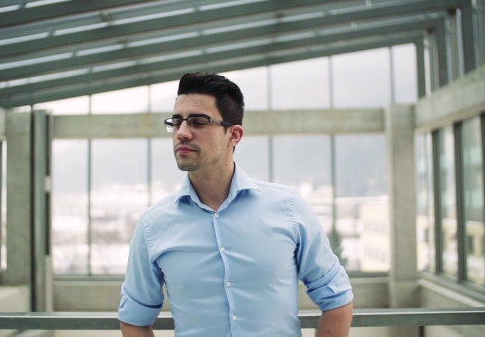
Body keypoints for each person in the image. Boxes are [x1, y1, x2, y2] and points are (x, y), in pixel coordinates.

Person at [118, 72, 354, 337]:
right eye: (176, 122)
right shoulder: (153, 225)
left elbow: (337, 298)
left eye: (198, 122)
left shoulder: (288, 208)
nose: (182, 133)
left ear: (234, 135)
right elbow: (134, 319)